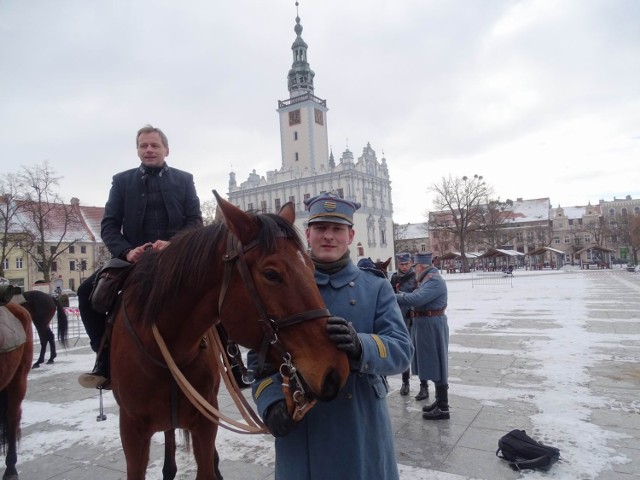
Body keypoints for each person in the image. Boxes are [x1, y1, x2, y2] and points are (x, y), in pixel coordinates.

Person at [249, 192, 412, 480]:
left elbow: (401, 350)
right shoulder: (284, 286)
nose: (328, 237)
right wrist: (271, 401)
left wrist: (361, 346)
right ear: (308, 234)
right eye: (321, 228)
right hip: (303, 428)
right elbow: (259, 358)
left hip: (360, 423)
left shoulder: (375, 287)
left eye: (337, 229)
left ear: (350, 236)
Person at [77, 125, 203, 389]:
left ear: (166, 150)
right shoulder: (122, 181)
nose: (149, 150)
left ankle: (232, 358)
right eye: (143, 145)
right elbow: (110, 225)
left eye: (154, 145)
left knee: (215, 286)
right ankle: (104, 357)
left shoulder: (184, 179)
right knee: (86, 292)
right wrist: (126, 250)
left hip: (176, 257)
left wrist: (173, 244)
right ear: (137, 150)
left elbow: (195, 221)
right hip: (133, 259)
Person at [395, 252, 450, 420]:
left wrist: (394, 296)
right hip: (426, 325)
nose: (414, 269)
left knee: (438, 363)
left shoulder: (433, 280)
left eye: (415, 266)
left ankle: (443, 407)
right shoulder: (427, 279)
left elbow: (417, 298)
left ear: (420, 266)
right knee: (432, 363)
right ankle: (440, 400)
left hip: (432, 325)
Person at [390, 252, 418, 397]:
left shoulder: (416, 277)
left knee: (418, 352)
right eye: (402, 264)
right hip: (399, 318)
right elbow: (389, 295)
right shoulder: (394, 277)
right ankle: (405, 382)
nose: (404, 267)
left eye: (406, 264)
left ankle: (423, 384)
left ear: (411, 263)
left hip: (413, 318)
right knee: (404, 349)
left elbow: (419, 297)